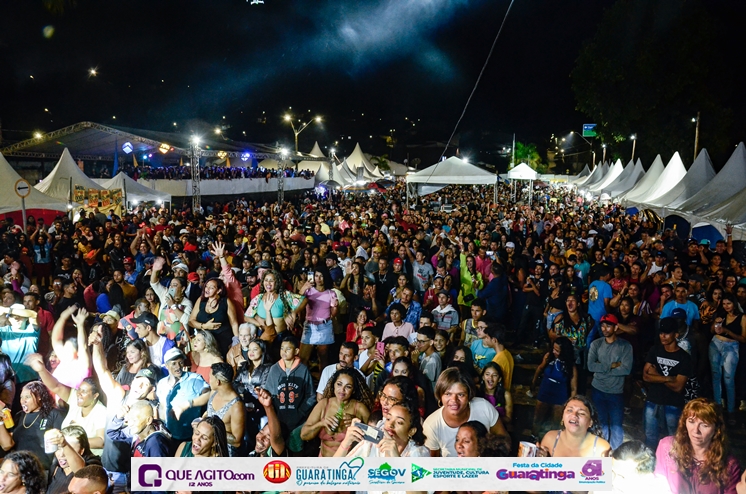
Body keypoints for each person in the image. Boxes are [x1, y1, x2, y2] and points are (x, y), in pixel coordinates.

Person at [24, 354, 106, 456]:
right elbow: (56, 386)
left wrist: (69, 441)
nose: (79, 393)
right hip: (67, 456)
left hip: (88, 460)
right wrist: (41, 370)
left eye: (84, 391)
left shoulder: (100, 411)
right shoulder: (75, 400)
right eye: (79, 389)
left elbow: (101, 441)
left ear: (95, 396)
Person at [655, 398, 741, 494]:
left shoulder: (729, 465)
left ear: (717, 429)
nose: (696, 430)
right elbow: (658, 484)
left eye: (704, 425)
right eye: (691, 421)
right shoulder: (667, 447)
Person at [422, 367, 509, 457]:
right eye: (448, 394)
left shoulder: (484, 407)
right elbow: (432, 462)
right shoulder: (432, 425)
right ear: (440, 396)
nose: (454, 400)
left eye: (461, 394)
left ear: (469, 395)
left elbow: (504, 441)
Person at [643, 318, 692, 449]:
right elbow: (646, 376)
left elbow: (678, 387)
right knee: (650, 437)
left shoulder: (684, 357)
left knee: (674, 440)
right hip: (653, 400)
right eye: (661, 333)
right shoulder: (655, 350)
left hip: (673, 403)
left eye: (667, 333)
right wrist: (669, 378)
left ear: (676, 334)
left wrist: (657, 375)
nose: (663, 336)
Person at [301, 368, 373, 456]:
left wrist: (359, 425)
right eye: (339, 384)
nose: (342, 390)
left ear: (354, 390)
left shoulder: (360, 408)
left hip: (348, 462)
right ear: (333, 385)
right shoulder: (324, 404)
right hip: (324, 460)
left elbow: (375, 437)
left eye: (348, 386)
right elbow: (303, 435)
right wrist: (321, 423)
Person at [588, 313, 633, 449]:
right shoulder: (596, 344)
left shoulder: (625, 346)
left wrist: (602, 368)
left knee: (616, 426)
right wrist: (612, 365)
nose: (604, 329)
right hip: (597, 389)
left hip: (615, 391)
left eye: (608, 326)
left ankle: (615, 454)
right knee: (601, 423)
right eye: (603, 326)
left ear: (616, 327)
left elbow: (626, 369)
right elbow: (591, 366)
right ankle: (602, 452)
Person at [0, 381, 64, 471]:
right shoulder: (19, 416)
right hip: (19, 470)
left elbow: (61, 444)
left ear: (39, 397)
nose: (23, 401)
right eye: (21, 397)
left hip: (43, 470)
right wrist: (0, 421)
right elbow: (7, 445)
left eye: (27, 397)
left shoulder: (53, 414)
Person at [155, 348, 210, 444]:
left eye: (180, 362)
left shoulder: (194, 379)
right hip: (169, 435)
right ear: (167, 366)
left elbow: (209, 394)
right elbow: (162, 406)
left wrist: (187, 404)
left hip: (190, 436)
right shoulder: (162, 383)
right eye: (174, 363)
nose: (178, 366)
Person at [264, 334, 315, 434]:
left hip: (298, 420)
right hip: (278, 419)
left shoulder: (303, 370)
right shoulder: (274, 369)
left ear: (296, 351)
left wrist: (301, 412)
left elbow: (311, 395)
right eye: (282, 348)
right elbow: (269, 393)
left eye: (288, 349)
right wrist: (274, 412)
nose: (284, 351)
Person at [710, 293, 746, 423]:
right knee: (716, 376)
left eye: (729, 304)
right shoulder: (721, 315)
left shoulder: (742, 317)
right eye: (724, 304)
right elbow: (712, 331)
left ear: (734, 304)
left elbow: (743, 338)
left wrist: (727, 331)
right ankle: (718, 409)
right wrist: (716, 323)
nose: (726, 306)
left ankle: (731, 410)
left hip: (731, 346)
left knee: (728, 378)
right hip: (715, 344)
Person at [530, 336, 577, 437]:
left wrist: (570, 403)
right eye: (554, 349)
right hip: (545, 392)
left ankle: (553, 441)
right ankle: (534, 438)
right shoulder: (549, 357)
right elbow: (540, 368)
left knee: (556, 423)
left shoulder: (570, 366)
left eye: (557, 350)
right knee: (538, 419)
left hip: (560, 396)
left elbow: (573, 388)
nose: (554, 352)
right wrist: (533, 383)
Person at [538, 395, 611, 458]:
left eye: (581, 413)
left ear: (590, 422)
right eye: (570, 410)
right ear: (563, 417)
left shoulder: (601, 448)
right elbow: (541, 468)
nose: (574, 415)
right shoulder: (551, 439)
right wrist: (540, 458)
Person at [244, 269, 304, 344]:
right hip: (264, 336)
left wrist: (293, 313)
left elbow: (304, 300)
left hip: (281, 337)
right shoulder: (259, 298)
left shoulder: (284, 295)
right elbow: (246, 317)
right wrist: (259, 323)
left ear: (277, 282)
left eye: (271, 280)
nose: (268, 283)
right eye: (266, 280)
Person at [189, 278, 239, 357]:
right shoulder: (201, 300)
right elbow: (191, 321)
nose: (207, 289)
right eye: (206, 286)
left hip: (223, 342)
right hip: (205, 343)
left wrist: (236, 342)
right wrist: (204, 326)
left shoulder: (226, 302)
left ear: (219, 290)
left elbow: (234, 323)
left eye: (211, 287)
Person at [298, 269, 337, 369]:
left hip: (324, 326)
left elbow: (333, 314)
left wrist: (335, 306)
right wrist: (304, 288)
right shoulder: (308, 291)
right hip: (310, 326)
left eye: (321, 276)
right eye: (316, 276)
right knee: (302, 358)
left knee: (323, 359)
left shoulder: (331, 293)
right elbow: (296, 302)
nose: (318, 279)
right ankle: (304, 378)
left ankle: (322, 378)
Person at [46, 425, 102, 494]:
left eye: (69, 449)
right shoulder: (55, 466)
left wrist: (65, 444)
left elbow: (82, 472)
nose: (61, 454)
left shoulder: (93, 464)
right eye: (59, 448)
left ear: (81, 450)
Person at [106, 400, 172, 458]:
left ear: (149, 420)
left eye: (134, 420)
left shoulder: (155, 444)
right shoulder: (137, 431)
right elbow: (112, 434)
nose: (130, 424)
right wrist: (118, 418)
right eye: (129, 419)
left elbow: (159, 468)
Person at [204, 363, 244, 455]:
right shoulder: (214, 393)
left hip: (225, 453)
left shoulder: (236, 406)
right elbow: (209, 413)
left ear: (218, 382)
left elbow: (237, 441)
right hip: (210, 449)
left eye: (210, 378)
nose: (209, 381)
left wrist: (214, 430)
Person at [149, 257, 193, 341]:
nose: (171, 287)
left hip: (180, 340)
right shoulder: (166, 294)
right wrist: (155, 270)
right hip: (163, 338)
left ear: (183, 288)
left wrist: (173, 306)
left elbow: (186, 321)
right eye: (171, 285)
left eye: (175, 285)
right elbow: (154, 283)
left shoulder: (187, 302)